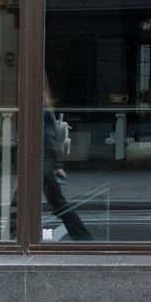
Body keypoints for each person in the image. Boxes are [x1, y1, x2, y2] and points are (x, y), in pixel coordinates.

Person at [42, 81, 93, 241]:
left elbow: (49, 138)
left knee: (58, 203)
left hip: (42, 162)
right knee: (21, 202)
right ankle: (13, 235)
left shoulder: (39, 107)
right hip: (44, 161)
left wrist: (57, 165)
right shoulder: (44, 106)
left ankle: (83, 238)